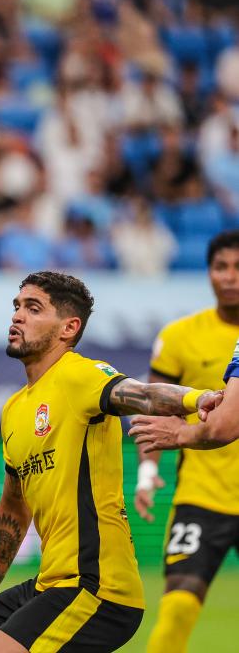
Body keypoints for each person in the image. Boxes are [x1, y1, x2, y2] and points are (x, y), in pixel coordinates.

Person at [0, 271, 220, 653]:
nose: (17, 316)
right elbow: (13, 507)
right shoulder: (14, 408)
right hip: (50, 583)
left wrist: (196, 399)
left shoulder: (79, 374)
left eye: (33, 308)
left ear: (69, 328)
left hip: (97, 587)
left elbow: (143, 394)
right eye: (17, 306)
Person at [129, 230, 239, 653]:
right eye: (221, 266)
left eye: (238, 267)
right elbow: (153, 405)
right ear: (208, 272)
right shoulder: (180, 336)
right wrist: (147, 470)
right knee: (177, 609)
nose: (229, 277)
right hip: (202, 496)